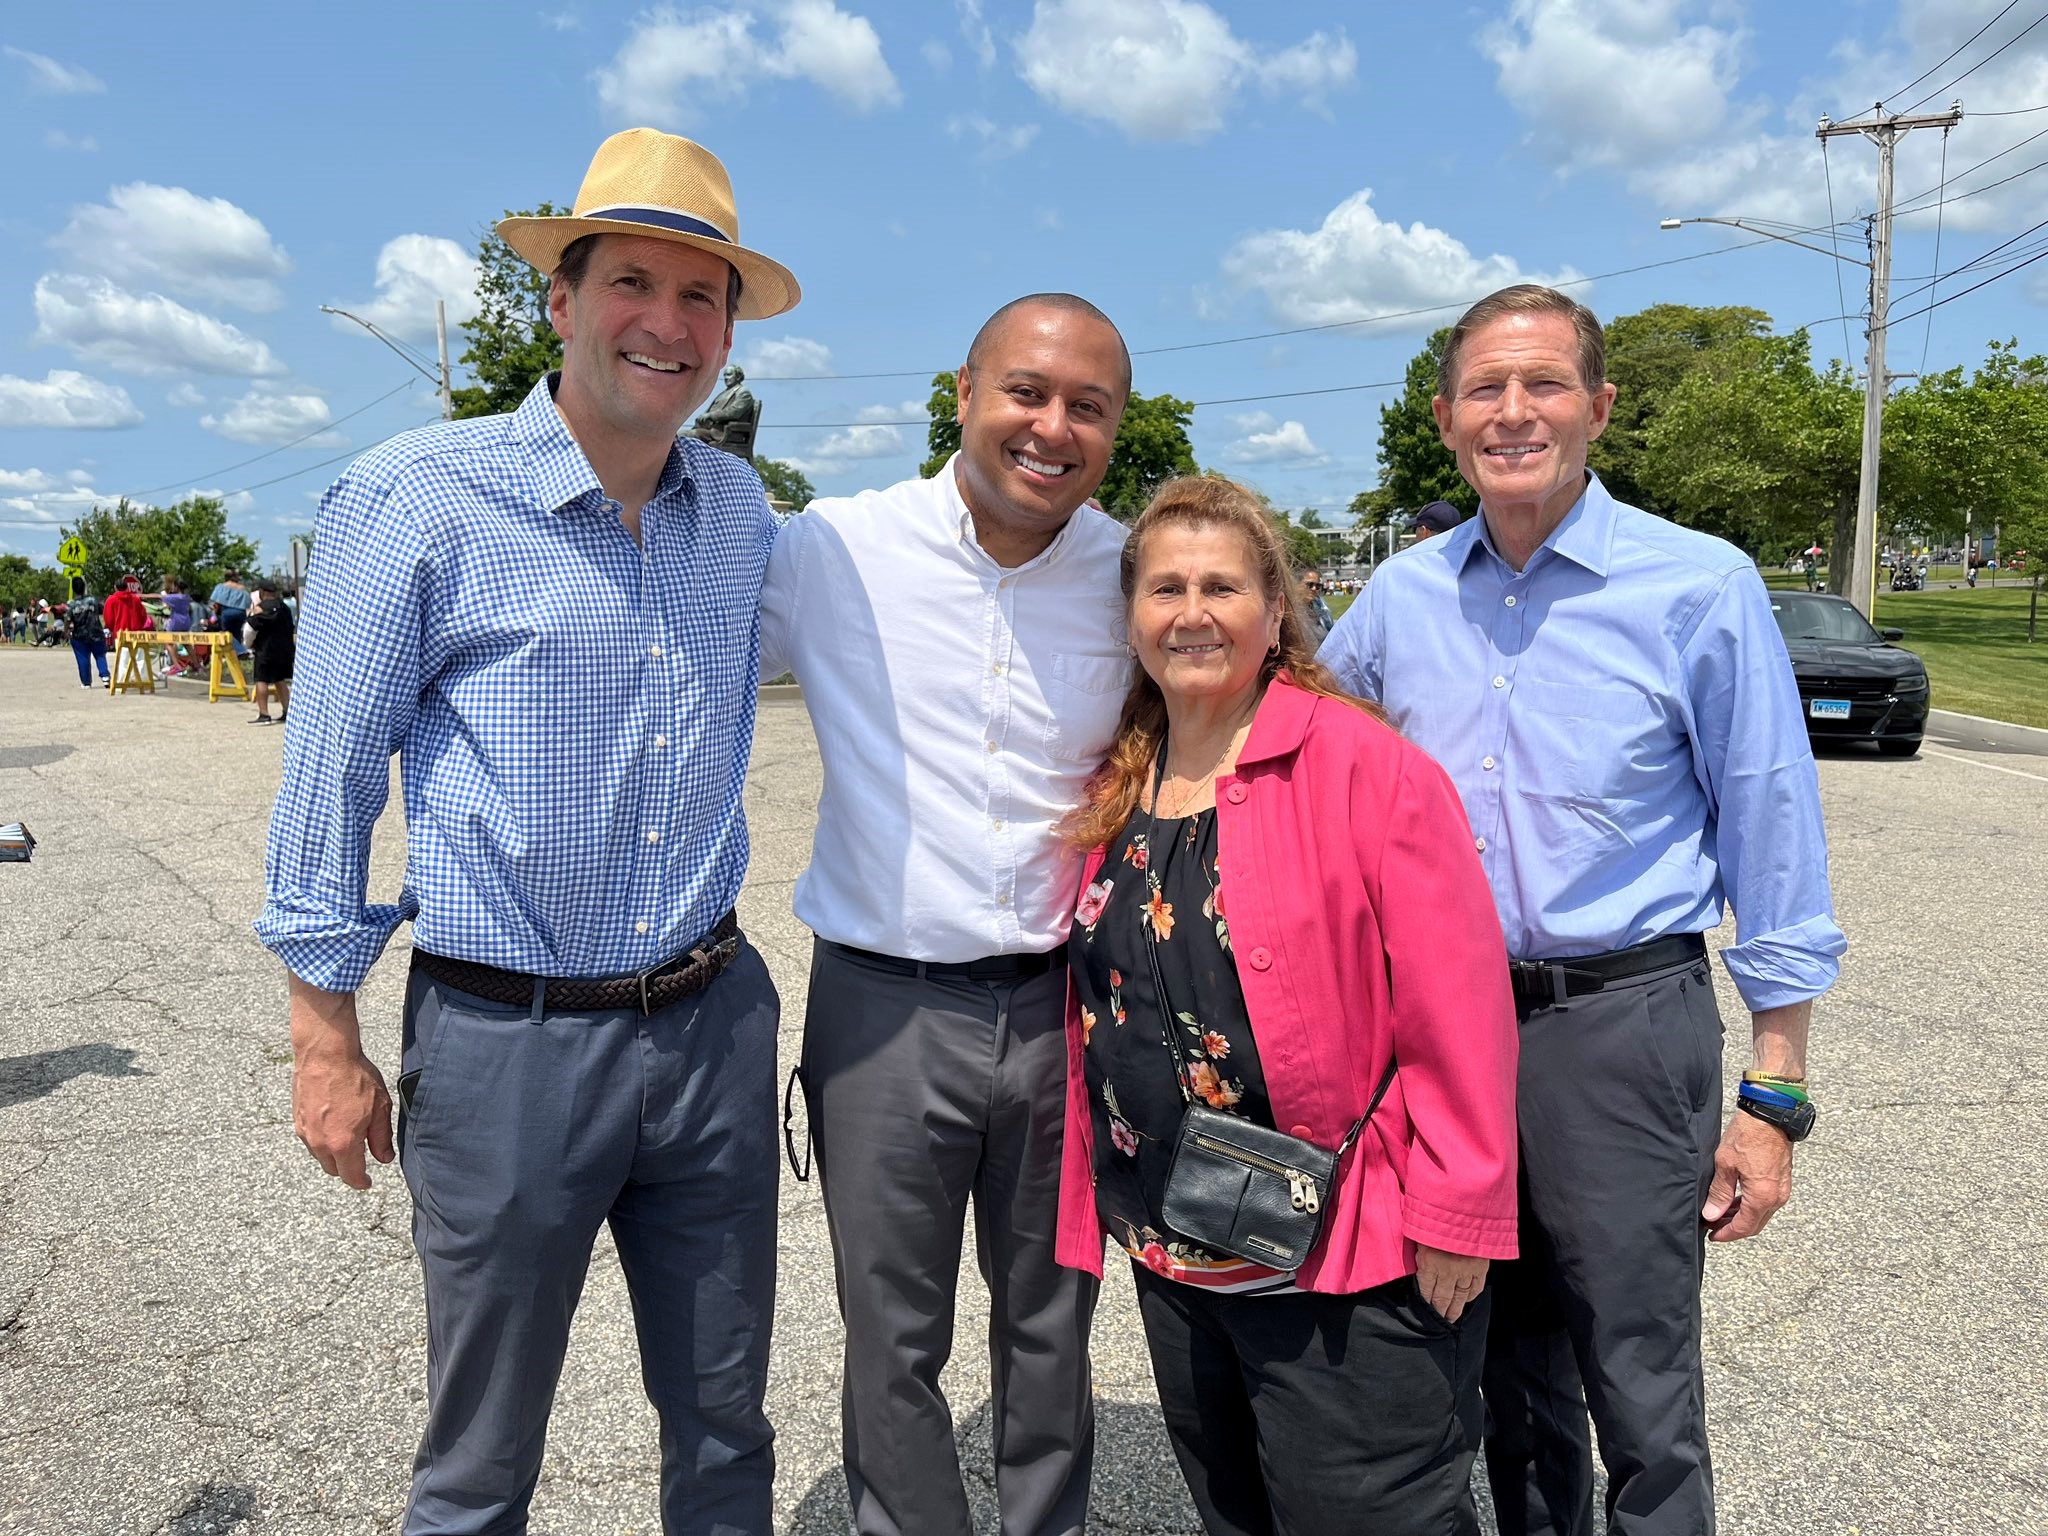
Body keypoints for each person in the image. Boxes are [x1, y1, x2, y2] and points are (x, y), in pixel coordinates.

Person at [255, 127, 803, 1536]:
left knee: (728, 1423)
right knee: (482, 1451)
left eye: (704, 298)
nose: (668, 326)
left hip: (711, 1024)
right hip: (510, 1045)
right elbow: (329, 779)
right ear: (558, 302)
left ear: (730, 330)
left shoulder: (737, 509)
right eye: (634, 282)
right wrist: (327, 1037)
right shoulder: (415, 501)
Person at [1319, 284, 1845, 1536]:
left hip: (1621, 1025)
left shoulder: (1697, 587)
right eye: (1484, 391)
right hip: (1442, 1036)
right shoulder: (1397, 599)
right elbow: (1295, 746)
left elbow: (1771, 835)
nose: (1513, 413)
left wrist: (1773, 1099)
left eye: (1543, 384)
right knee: (1500, 1380)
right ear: (1444, 420)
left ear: (1597, 407)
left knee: (1640, 1387)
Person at [1054, 476, 1519, 1536]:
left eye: (1221, 585)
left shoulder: (1364, 769)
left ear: (1275, 612)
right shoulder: (1120, 782)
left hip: (1345, 1253)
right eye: (1163, 587)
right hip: (1176, 1246)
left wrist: (1458, 1214)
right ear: (1130, 617)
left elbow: (1459, 1011)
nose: (1191, 611)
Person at [761, 292, 1133, 1536]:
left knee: (1051, 1326)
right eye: (1026, 392)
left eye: (1088, 406)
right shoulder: (828, 551)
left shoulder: (1131, 576)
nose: (1052, 426)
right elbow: (667, 647)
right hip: (880, 1005)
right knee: (889, 1335)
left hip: (1062, 1006)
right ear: (962, 392)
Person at [244, 581, 295, 725]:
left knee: (262, 680)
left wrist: (248, 644)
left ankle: (264, 713)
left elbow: (250, 629)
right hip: (284, 649)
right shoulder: (284, 608)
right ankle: (287, 710)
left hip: (265, 649)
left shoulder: (260, 608)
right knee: (280, 680)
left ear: (261, 592)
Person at [64, 577, 108, 689]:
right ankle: (105, 676)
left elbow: (68, 620)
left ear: (73, 589)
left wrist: (66, 631)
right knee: (100, 655)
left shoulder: (71, 604)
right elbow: (102, 610)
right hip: (96, 632)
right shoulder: (93, 600)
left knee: (82, 657)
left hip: (79, 635)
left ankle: (86, 682)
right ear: (84, 588)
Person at [102, 574, 150, 643]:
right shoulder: (135, 599)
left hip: (120, 634)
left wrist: (113, 629)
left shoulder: (111, 600)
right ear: (127, 587)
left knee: (122, 653)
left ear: (115, 588)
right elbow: (143, 616)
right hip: (136, 634)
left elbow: (108, 619)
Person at [209, 569, 251, 645]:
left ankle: (229, 652)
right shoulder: (242, 588)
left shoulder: (220, 587)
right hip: (240, 613)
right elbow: (248, 602)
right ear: (233, 577)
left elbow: (215, 601)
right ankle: (238, 652)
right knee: (237, 633)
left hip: (226, 612)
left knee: (226, 634)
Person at [1296, 566, 1334, 641]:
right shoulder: (1289, 609)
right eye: (1310, 584)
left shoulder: (1322, 607)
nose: (1314, 589)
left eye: (1317, 586)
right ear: (1297, 584)